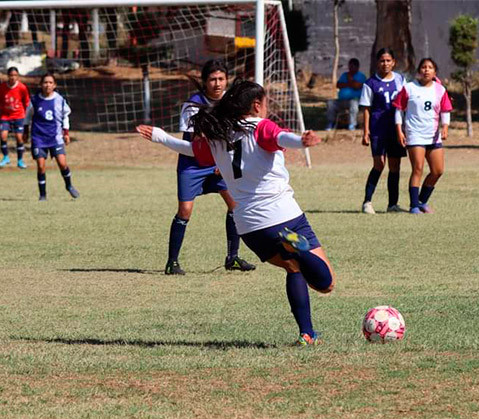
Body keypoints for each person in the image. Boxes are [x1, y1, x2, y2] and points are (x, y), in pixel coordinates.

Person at [137, 79, 336, 346]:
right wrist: (301, 140)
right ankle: (297, 247)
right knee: (326, 283)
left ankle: (307, 334)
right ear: (256, 105)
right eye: (266, 103)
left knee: (292, 268)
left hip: (250, 227)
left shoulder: (220, 135)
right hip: (283, 215)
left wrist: (161, 137)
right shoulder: (260, 127)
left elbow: (191, 151)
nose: (267, 108)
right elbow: (280, 137)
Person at [165, 60, 256, 276]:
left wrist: (224, 162)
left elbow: (235, 136)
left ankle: (232, 258)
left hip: (220, 164)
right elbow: (199, 143)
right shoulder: (193, 105)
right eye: (213, 79)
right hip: (192, 163)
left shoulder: (231, 103)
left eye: (221, 79)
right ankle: (172, 262)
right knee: (185, 211)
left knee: (234, 205)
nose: (217, 84)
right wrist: (217, 159)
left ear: (227, 80)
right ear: (205, 81)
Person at [392, 58, 453, 214]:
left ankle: (421, 201)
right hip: (415, 134)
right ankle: (413, 206)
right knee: (417, 168)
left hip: (433, 135)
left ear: (435, 72)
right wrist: (399, 130)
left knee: (437, 171)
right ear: (419, 71)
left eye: (430, 67)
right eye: (423, 67)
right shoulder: (409, 88)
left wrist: (445, 127)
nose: (426, 70)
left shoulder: (440, 90)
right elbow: (399, 109)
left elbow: (445, 110)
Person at [359, 48, 407, 214]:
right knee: (379, 164)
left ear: (393, 62)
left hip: (396, 129)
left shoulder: (401, 80)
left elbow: (408, 100)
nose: (385, 64)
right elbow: (366, 108)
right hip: (378, 129)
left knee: (395, 166)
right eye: (382, 61)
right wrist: (365, 132)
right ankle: (367, 202)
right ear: (377, 62)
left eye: (388, 60)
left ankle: (392, 204)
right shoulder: (370, 83)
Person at [26, 73, 79, 201]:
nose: (48, 85)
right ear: (41, 85)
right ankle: (43, 195)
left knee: (62, 163)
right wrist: (25, 132)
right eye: (45, 82)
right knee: (41, 166)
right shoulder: (34, 100)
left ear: (54, 85)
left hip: (55, 137)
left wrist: (66, 133)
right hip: (38, 137)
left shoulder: (59, 100)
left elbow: (65, 115)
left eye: (50, 82)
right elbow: (27, 116)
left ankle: (69, 185)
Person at [0, 67, 31, 169]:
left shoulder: (22, 87)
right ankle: (5, 157)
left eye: (15, 75)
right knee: (3, 135)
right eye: (11, 75)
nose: (13, 77)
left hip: (19, 116)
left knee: (19, 138)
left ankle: (20, 160)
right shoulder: (3, 87)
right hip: (6, 116)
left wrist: (29, 116)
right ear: (8, 76)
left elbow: (27, 102)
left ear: (18, 76)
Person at [326, 58, 367, 131]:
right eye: (350, 66)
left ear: (357, 67)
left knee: (353, 104)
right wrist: (349, 83)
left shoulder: (361, 76)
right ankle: (330, 123)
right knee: (330, 103)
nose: (350, 68)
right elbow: (338, 85)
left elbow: (356, 86)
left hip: (355, 100)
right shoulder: (344, 75)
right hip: (342, 100)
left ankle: (352, 124)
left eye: (353, 66)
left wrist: (350, 80)